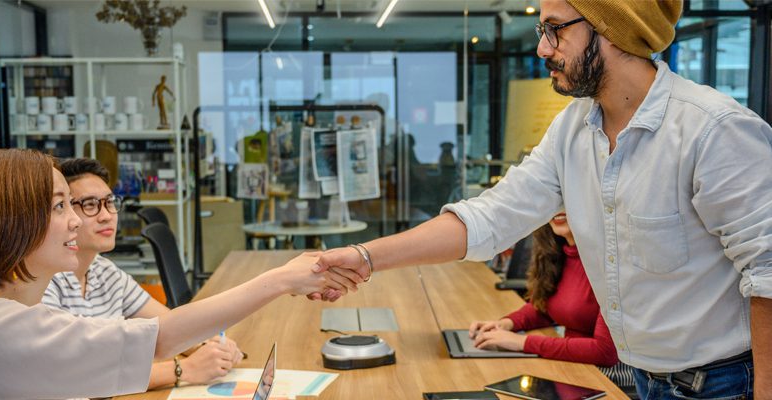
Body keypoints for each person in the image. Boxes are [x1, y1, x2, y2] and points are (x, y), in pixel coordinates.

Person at [310, 1, 772, 398]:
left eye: (554, 30)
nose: (542, 49)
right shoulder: (573, 130)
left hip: (726, 382)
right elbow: (491, 216)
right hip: (647, 379)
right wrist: (365, 257)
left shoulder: (713, 129)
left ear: (610, 28)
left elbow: (768, 275)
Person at [0, 149, 353, 399]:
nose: (77, 221)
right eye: (61, 206)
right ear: (13, 223)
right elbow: (162, 337)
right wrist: (281, 280)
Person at [42, 157, 243, 389]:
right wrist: (184, 370)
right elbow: (76, 376)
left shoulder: (104, 271)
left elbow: (166, 326)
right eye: (89, 205)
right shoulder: (45, 283)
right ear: (63, 211)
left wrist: (209, 347)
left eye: (110, 202)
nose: (106, 215)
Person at [470, 213, 634, 389]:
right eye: (555, 200)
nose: (559, 210)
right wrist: (506, 324)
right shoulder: (559, 251)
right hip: (574, 366)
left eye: (568, 199)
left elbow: (605, 352)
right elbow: (545, 307)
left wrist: (521, 342)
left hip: (609, 379)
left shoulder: (612, 263)